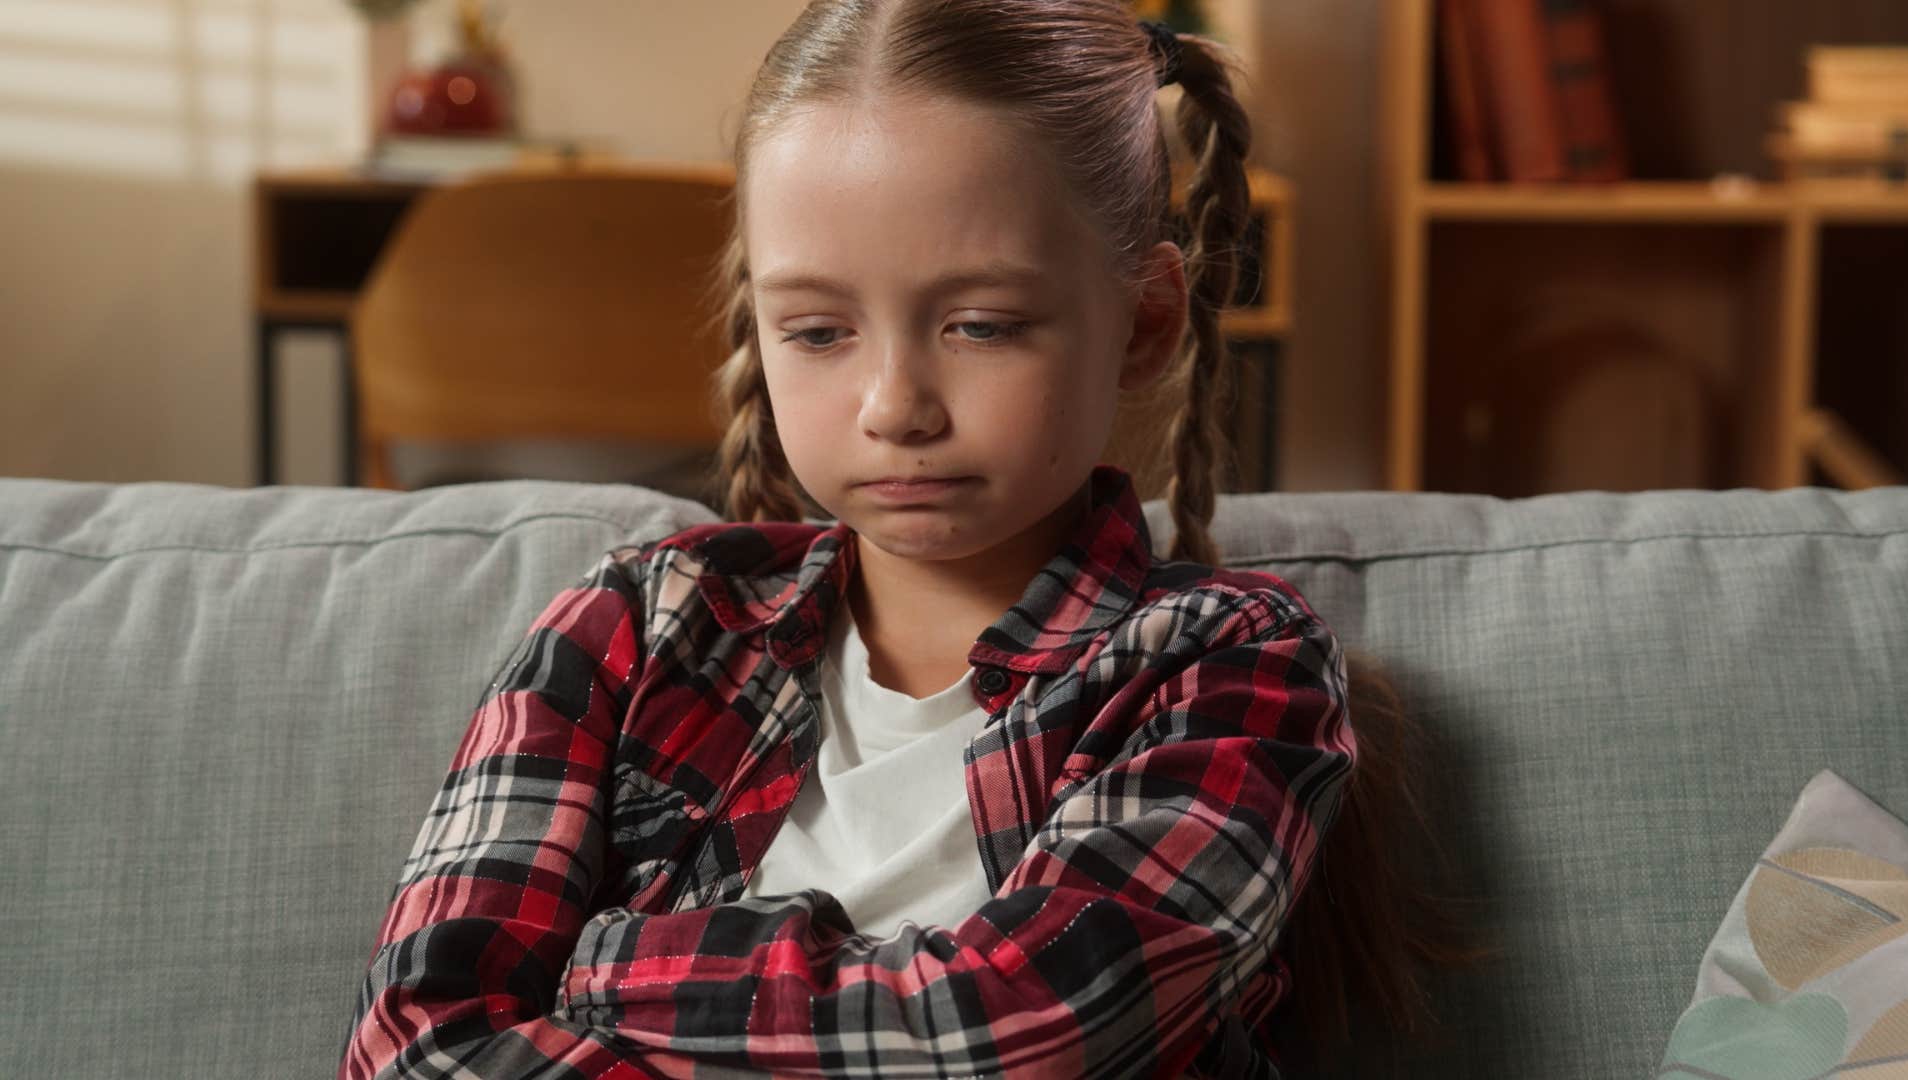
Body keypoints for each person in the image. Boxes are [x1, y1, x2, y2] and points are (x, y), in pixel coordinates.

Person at [339, 3, 1489, 1077]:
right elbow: (414, 1041)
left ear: (1143, 322)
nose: (895, 406)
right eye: (818, 331)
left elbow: (1006, 1038)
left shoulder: (1227, 669)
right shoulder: (630, 630)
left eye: (981, 325)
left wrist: (597, 973)